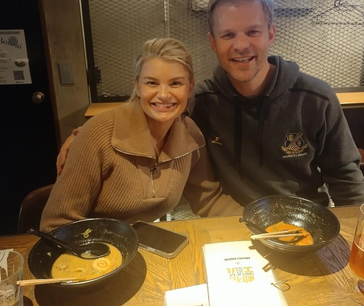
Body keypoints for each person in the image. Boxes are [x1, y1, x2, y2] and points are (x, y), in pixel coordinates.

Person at [57, 0, 364, 208]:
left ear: (271, 33)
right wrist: (86, 135)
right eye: (228, 35)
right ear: (212, 42)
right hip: (233, 222)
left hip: (304, 222)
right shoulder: (201, 102)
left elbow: (344, 176)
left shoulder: (316, 98)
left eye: (253, 32)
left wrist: (355, 233)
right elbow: (152, 114)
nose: (241, 45)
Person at [40, 38, 243, 232]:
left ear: (190, 87)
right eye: (152, 83)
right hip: (92, 250)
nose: (163, 95)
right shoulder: (98, 133)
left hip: (142, 244)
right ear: (137, 85)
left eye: (175, 84)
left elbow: (208, 200)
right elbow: (58, 224)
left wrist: (260, 223)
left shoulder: (191, 135)